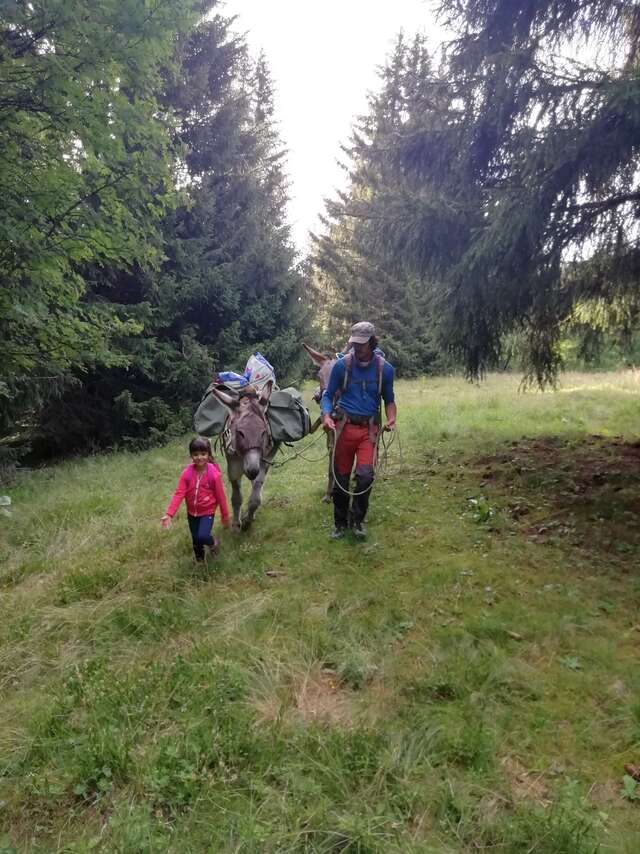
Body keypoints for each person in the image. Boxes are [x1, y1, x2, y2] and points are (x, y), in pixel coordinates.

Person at [321, 321, 396, 539]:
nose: (357, 348)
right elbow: (328, 395)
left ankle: (357, 520)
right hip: (344, 428)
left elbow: (389, 399)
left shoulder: (385, 370)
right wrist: (326, 415)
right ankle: (340, 524)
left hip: (368, 431)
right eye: (355, 343)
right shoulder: (341, 366)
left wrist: (391, 418)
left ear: (372, 342)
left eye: (362, 344)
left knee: (365, 477)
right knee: (341, 479)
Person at [161, 437, 230, 561]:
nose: (199, 457)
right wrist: (169, 514)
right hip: (192, 513)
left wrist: (225, 516)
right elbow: (179, 494)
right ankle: (200, 561)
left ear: (208, 454)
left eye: (203, 454)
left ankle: (213, 542)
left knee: (202, 536)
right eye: (195, 454)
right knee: (195, 539)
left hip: (207, 512)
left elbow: (221, 497)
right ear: (191, 455)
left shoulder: (213, 474)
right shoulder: (187, 473)